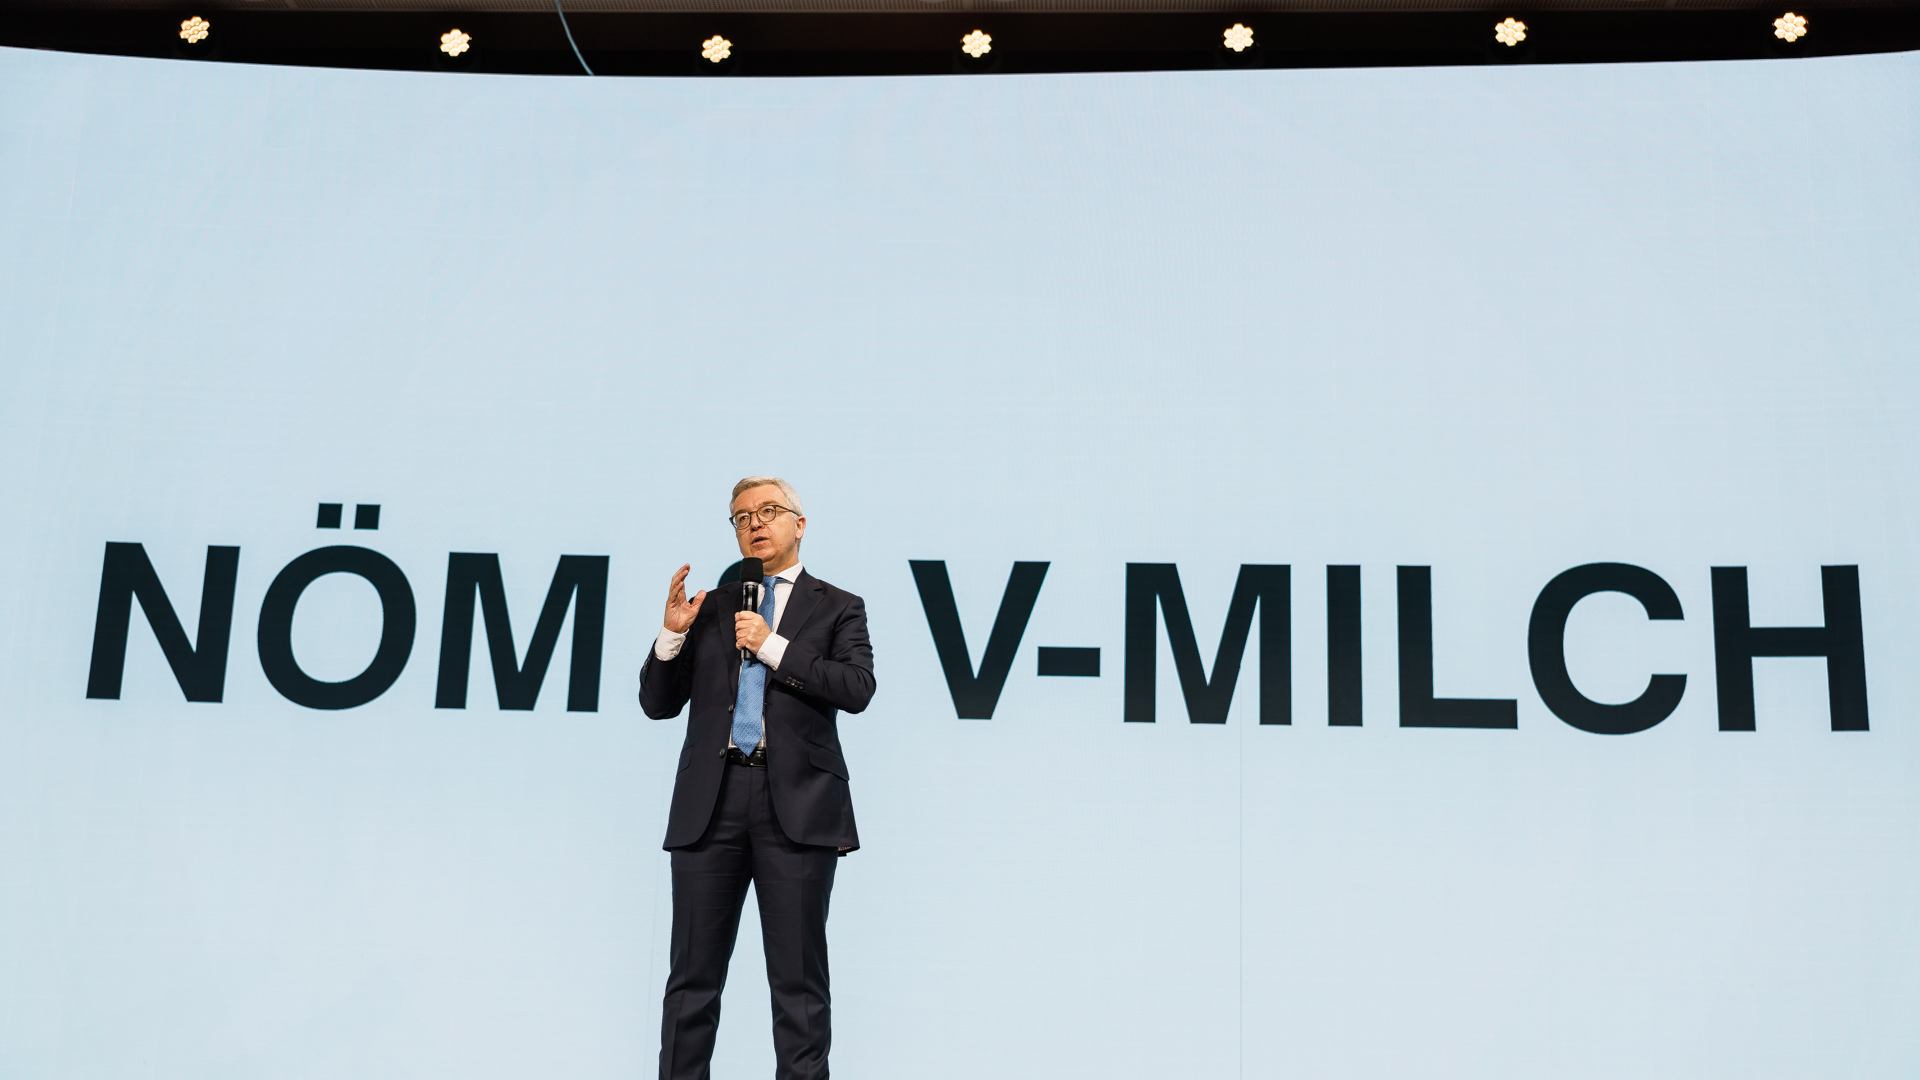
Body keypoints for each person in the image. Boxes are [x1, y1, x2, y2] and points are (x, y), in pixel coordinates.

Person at [640, 476, 876, 1080]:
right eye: (742, 516)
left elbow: (856, 688)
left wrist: (773, 646)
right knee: (691, 983)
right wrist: (672, 634)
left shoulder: (838, 605)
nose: (755, 523)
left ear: (800, 524)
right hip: (710, 805)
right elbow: (657, 704)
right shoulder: (714, 606)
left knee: (799, 988)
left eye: (769, 510)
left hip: (796, 806)